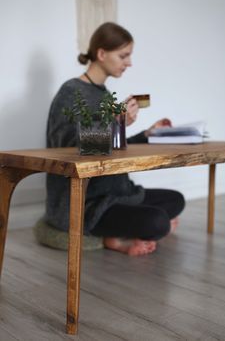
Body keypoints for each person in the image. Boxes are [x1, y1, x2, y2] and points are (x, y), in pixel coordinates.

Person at [45, 22, 185, 256]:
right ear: (101, 54)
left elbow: (114, 146)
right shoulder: (70, 92)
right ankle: (117, 239)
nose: (129, 63)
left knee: (176, 200)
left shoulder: (105, 95)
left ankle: (122, 232)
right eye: (123, 56)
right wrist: (117, 122)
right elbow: (69, 149)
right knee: (158, 222)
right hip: (88, 202)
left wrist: (147, 134)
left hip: (117, 193)